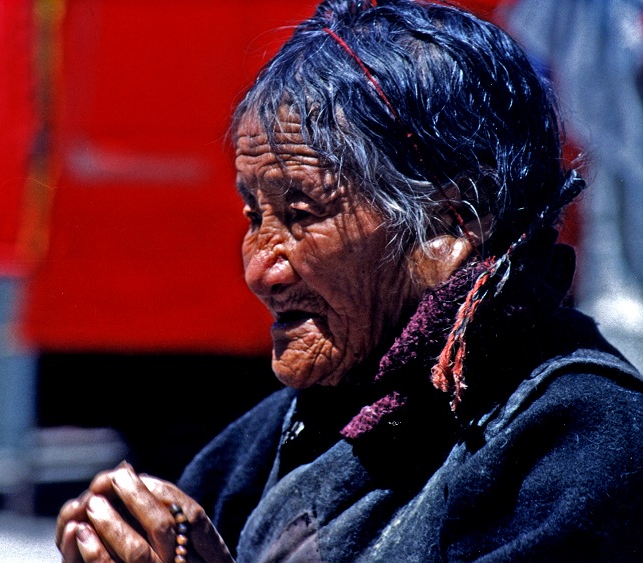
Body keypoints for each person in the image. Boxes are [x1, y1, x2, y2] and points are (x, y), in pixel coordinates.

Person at [56, 0, 643, 560]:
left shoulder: (584, 444)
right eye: (254, 216)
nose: (261, 271)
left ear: (447, 226)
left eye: (302, 215)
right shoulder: (270, 442)